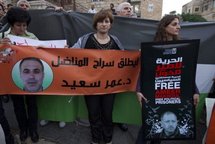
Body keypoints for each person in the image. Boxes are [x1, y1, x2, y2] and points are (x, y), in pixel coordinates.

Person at [136, 15, 200, 144]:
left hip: (174, 93)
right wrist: (138, 90)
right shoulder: (152, 48)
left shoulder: (183, 47)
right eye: (174, 24)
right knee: (149, 125)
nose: (179, 27)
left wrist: (195, 90)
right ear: (164, 27)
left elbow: (186, 72)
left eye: (178, 24)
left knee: (160, 132)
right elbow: (143, 71)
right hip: (154, 92)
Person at [72, 9, 124, 144]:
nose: (103, 24)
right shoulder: (85, 40)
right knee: (94, 115)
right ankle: (95, 140)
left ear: (110, 24)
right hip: (90, 86)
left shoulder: (116, 41)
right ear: (96, 24)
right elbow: (70, 54)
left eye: (107, 21)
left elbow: (124, 61)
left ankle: (108, 140)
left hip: (110, 88)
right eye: (100, 21)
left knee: (107, 115)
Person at [0, 7, 39, 143]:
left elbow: (44, 54)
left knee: (32, 104)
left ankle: (33, 129)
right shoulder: (2, 37)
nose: (22, 28)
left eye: (24, 25)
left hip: (31, 78)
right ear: (11, 24)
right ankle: (23, 129)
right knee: (18, 105)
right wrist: (1, 46)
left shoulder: (32, 37)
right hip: (13, 78)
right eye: (18, 25)